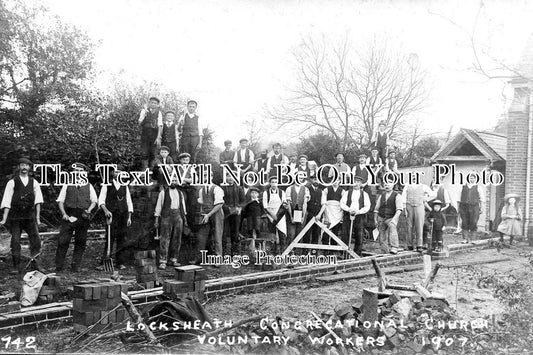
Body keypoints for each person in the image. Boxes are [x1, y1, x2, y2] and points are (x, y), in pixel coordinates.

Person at [0, 158, 43, 273]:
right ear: (19, 167)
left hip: (29, 216)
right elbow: (7, 201)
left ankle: (35, 264)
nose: (24, 167)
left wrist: (38, 218)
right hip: (15, 217)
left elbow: (38, 201)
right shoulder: (12, 182)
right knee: (15, 241)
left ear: (29, 168)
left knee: (36, 240)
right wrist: (4, 218)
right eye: (22, 165)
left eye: (27, 165)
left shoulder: (34, 182)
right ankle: (16, 267)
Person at [55, 163, 98, 272]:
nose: (78, 173)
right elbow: (60, 201)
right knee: (63, 241)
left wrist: (89, 210)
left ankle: (75, 266)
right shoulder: (67, 185)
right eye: (76, 171)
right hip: (69, 215)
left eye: (80, 171)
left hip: (83, 217)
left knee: (81, 241)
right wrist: (64, 214)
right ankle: (59, 267)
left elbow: (94, 201)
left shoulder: (89, 186)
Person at [97, 165, 133, 270]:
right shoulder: (106, 185)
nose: (118, 174)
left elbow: (129, 202)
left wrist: (129, 217)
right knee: (110, 238)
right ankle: (104, 261)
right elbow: (101, 201)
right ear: (113, 173)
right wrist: (106, 211)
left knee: (121, 238)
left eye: (120, 172)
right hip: (111, 215)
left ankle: (120, 262)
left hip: (123, 215)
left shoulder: (125, 185)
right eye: (116, 172)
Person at [154, 176, 187, 269]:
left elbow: (183, 207)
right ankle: (163, 261)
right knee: (164, 238)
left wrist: (184, 218)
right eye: (172, 180)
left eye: (175, 180)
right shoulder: (163, 193)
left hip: (178, 216)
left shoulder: (180, 193)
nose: (174, 182)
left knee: (177, 238)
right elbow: (158, 206)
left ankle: (174, 259)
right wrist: (156, 219)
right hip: (166, 216)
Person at [194, 171, 224, 265]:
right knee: (201, 235)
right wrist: (204, 213)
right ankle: (199, 257)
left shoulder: (217, 189)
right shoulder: (201, 190)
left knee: (217, 235)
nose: (205, 178)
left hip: (216, 213)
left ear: (211, 177)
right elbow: (202, 202)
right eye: (203, 176)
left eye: (207, 175)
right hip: (206, 213)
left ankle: (218, 258)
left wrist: (209, 214)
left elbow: (219, 204)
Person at [340, 176, 371, 256]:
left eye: (358, 182)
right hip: (348, 215)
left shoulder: (365, 194)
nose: (356, 184)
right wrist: (349, 209)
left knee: (359, 235)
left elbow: (367, 206)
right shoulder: (347, 193)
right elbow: (342, 203)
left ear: (361, 184)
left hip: (359, 217)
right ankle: (344, 252)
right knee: (345, 234)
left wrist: (359, 211)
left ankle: (357, 253)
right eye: (354, 182)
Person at [374, 182, 403, 254]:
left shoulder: (397, 195)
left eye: (389, 184)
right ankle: (384, 250)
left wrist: (394, 219)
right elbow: (376, 209)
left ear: (393, 185)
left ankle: (394, 247)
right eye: (386, 184)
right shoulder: (382, 196)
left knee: (392, 228)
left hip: (391, 217)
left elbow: (399, 209)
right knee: (382, 233)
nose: (387, 186)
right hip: (381, 217)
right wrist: (375, 219)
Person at [403, 183, 432, 252]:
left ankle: (419, 245)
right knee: (409, 226)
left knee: (419, 225)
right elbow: (403, 197)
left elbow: (433, 194)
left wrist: (426, 198)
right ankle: (410, 245)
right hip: (409, 206)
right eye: (413, 175)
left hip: (420, 206)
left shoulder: (424, 186)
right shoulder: (407, 186)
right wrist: (404, 208)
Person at [221, 172, 245, 255]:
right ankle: (223, 253)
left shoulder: (239, 188)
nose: (230, 178)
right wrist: (227, 208)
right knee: (224, 232)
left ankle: (234, 253)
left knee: (235, 232)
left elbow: (243, 201)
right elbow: (220, 200)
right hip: (226, 213)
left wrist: (240, 208)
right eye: (228, 176)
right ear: (226, 178)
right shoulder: (222, 188)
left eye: (232, 176)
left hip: (236, 213)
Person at [262, 176, 288, 252]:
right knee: (271, 235)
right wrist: (273, 215)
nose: (274, 184)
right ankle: (272, 252)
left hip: (280, 215)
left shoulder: (282, 192)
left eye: (275, 182)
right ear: (270, 183)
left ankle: (283, 252)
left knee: (282, 233)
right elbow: (265, 206)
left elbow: (284, 204)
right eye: (272, 182)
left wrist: (286, 205)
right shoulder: (266, 193)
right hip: (271, 215)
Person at [138, 97, 163, 170]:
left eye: (155, 103)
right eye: (152, 102)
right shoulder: (144, 111)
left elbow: (160, 126)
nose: (153, 104)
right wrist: (144, 115)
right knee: (144, 153)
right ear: (149, 103)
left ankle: (152, 171)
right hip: (145, 135)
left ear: (157, 105)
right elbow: (139, 123)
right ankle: (144, 171)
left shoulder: (159, 112)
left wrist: (158, 138)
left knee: (153, 153)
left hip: (154, 135)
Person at [458, 179, 485, 244]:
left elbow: (482, 199)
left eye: (473, 178)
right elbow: (458, 199)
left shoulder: (478, 187)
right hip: (464, 207)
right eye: (470, 177)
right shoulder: (462, 187)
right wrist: (458, 208)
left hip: (474, 207)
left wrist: (481, 208)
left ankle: (473, 239)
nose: (471, 179)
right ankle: (465, 239)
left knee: (474, 222)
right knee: (464, 222)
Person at [285, 178, 310, 246]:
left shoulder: (305, 189)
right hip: (292, 211)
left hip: (301, 211)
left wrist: (303, 217)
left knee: (300, 233)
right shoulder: (289, 188)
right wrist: (291, 217)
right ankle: (290, 251)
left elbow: (305, 203)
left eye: (301, 178)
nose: (299, 179)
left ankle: (298, 252)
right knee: (291, 234)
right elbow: (288, 204)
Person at [305, 174, 323, 244]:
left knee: (316, 233)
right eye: (314, 179)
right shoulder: (307, 189)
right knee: (307, 232)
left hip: (318, 215)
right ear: (311, 180)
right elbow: (304, 202)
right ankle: (305, 252)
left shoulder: (321, 191)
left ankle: (314, 252)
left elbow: (323, 204)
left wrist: (319, 214)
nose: (316, 181)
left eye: (317, 179)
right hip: (309, 214)